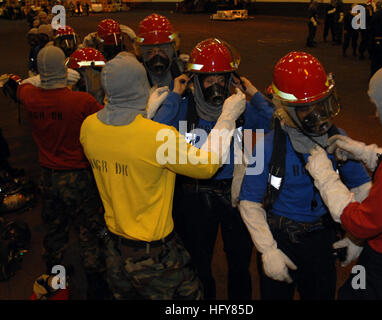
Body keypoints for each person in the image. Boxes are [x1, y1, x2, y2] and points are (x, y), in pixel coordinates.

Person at [79, 51, 247, 300]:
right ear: (140, 87)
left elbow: (126, 143)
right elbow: (208, 165)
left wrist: (146, 111)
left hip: (114, 246)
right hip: (153, 252)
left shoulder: (89, 127)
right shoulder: (157, 138)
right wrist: (227, 118)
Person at [237, 51, 371, 300]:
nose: (317, 115)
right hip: (280, 240)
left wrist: (356, 236)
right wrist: (268, 251)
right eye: (305, 108)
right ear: (285, 109)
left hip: (322, 242)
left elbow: (364, 185)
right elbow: (249, 202)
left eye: (320, 104)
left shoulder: (338, 138)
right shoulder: (265, 146)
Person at [152, 38, 274, 300]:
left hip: (235, 196)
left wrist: (253, 94)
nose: (216, 85)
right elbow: (156, 134)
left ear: (232, 79)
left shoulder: (242, 110)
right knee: (198, 263)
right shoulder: (185, 109)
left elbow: (275, 124)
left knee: (240, 263)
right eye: (209, 79)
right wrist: (174, 95)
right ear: (196, 80)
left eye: (222, 78)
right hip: (196, 196)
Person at [306, 61, 382, 299]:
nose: (377, 114)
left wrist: (326, 178)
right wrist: (366, 152)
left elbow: (359, 222)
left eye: (380, 106)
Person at [14, 45, 110, 299]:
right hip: (78, 176)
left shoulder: (30, 97)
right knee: (88, 231)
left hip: (48, 175)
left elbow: (24, 85)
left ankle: (55, 280)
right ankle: (96, 285)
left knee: (55, 229)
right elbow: (106, 122)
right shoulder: (81, 101)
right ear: (64, 71)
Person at [136, 13, 186, 88]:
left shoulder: (182, 70)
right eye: (151, 52)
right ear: (143, 53)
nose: (157, 57)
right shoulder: (135, 77)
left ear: (171, 51)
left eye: (162, 51)